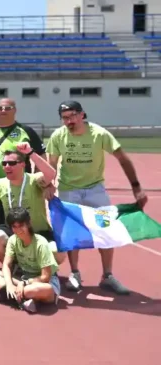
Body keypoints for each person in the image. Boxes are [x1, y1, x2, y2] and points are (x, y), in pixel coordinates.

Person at [47, 100, 147, 295]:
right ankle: (75, 273)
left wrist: (136, 187)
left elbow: (123, 159)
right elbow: (51, 164)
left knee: (106, 228)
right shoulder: (58, 136)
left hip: (95, 190)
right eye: (65, 118)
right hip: (69, 190)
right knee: (72, 232)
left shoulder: (99, 134)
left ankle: (107, 276)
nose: (69, 121)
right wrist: (49, 184)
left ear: (82, 115)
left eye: (72, 116)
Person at [0, 143, 63, 266]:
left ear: (23, 164)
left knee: (57, 251)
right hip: (13, 233)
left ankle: (38, 270)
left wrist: (30, 153)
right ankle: (13, 267)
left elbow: (51, 174)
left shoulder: (34, 180)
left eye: (11, 163)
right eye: (4, 164)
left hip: (38, 232)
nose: (7, 167)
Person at [0, 207, 60, 314]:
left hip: (44, 283)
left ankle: (11, 296)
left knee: (34, 290)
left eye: (21, 226)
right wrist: (9, 284)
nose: (18, 230)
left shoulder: (41, 243)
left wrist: (25, 283)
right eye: (14, 227)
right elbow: (6, 264)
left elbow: (45, 277)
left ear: (28, 223)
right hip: (23, 280)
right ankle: (25, 299)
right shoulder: (13, 240)